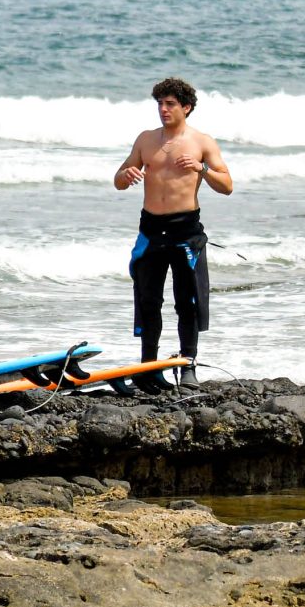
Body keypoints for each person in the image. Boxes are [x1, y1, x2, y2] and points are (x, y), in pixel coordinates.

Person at [114, 76, 233, 388]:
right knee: (148, 301)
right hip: (152, 230)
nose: (163, 110)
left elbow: (227, 186)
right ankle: (148, 369)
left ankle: (188, 365)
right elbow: (118, 180)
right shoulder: (145, 140)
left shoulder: (202, 142)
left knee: (187, 301)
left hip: (185, 232)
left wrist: (201, 168)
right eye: (160, 104)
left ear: (186, 107)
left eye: (170, 104)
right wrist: (126, 175)